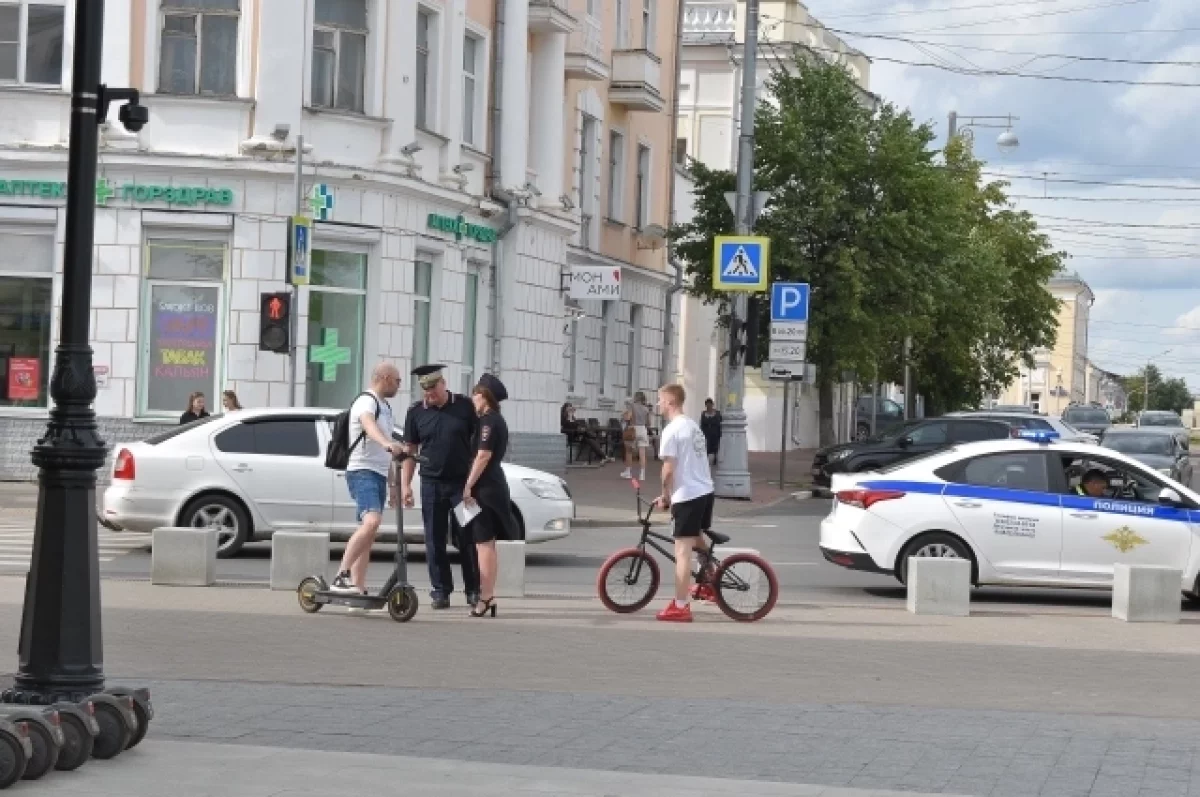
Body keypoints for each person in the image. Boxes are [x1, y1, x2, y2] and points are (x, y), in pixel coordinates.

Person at [401, 364, 481, 609]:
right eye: (425, 390)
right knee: (434, 539)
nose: (430, 394)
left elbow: (478, 445)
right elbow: (410, 451)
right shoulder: (416, 413)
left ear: (443, 383)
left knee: (467, 537)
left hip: (461, 486)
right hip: (431, 484)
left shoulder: (465, 406)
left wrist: (474, 482)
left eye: (433, 388)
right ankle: (440, 591)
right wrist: (405, 485)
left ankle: (473, 590)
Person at [330, 362, 402, 593]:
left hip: (378, 473)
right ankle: (341, 575)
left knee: (368, 532)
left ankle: (358, 588)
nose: (399, 385)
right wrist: (387, 443)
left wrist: (392, 484)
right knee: (371, 523)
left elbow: (385, 452)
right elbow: (369, 426)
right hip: (362, 470)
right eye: (397, 381)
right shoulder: (366, 401)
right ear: (385, 377)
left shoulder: (386, 407)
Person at [652, 383, 717, 623]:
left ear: (670, 401)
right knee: (696, 536)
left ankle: (680, 606)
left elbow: (668, 469)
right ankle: (711, 579)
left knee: (682, 552)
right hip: (705, 490)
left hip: (688, 495)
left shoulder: (672, 430)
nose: (657, 404)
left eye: (660, 400)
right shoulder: (692, 426)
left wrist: (665, 495)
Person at [463, 374, 520, 618]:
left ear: (485, 397)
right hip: (489, 485)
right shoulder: (492, 420)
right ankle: (487, 596)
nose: (472, 398)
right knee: (483, 543)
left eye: (475, 393)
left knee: (483, 543)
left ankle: (486, 597)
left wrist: (467, 485)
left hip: (485, 488)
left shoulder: (488, 422)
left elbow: (483, 456)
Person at [620, 392, 652, 481]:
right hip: (643, 430)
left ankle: (628, 472)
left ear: (636, 398)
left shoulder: (632, 406)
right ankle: (642, 474)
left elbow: (628, 417)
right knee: (642, 453)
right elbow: (648, 423)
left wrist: (624, 415)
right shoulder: (646, 409)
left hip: (633, 429)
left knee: (629, 451)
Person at [699, 398, 723, 466]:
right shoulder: (704, 413)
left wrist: (720, 432)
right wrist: (701, 432)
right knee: (706, 446)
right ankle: (706, 459)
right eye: (707, 405)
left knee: (715, 446)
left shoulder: (717, 413)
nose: (708, 407)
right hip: (706, 432)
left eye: (710, 405)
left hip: (715, 432)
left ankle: (715, 457)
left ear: (712, 405)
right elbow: (702, 424)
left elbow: (720, 423)